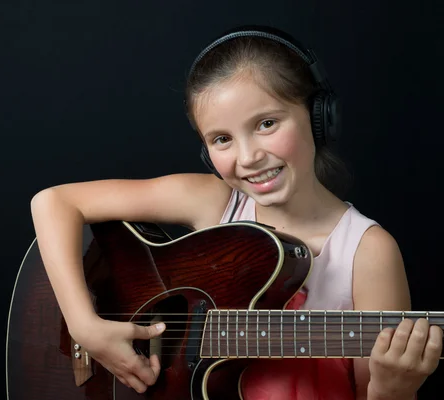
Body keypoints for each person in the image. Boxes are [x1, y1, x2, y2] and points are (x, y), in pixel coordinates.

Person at [29, 25, 442, 399]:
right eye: (222, 138)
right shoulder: (215, 201)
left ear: (319, 118)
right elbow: (53, 202)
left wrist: (393, 390)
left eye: (266, 124)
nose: (248, 157)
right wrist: (85, 325)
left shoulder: (367, 251)